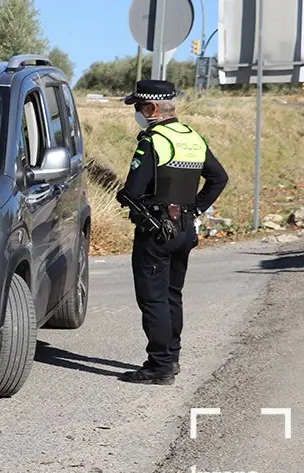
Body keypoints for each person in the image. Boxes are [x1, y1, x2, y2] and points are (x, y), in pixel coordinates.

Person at [115, 79, 228, 385]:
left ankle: (160, 366)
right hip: (184, 228)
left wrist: (129, 196)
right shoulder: (193, 137)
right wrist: (196, 209)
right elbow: (219, 178)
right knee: (171, 295)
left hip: (156, 230)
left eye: (139, 107)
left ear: (152, 108)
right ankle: (172, 357)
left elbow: (134, 190)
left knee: (152, 298)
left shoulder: (153, 141)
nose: (138, 112)